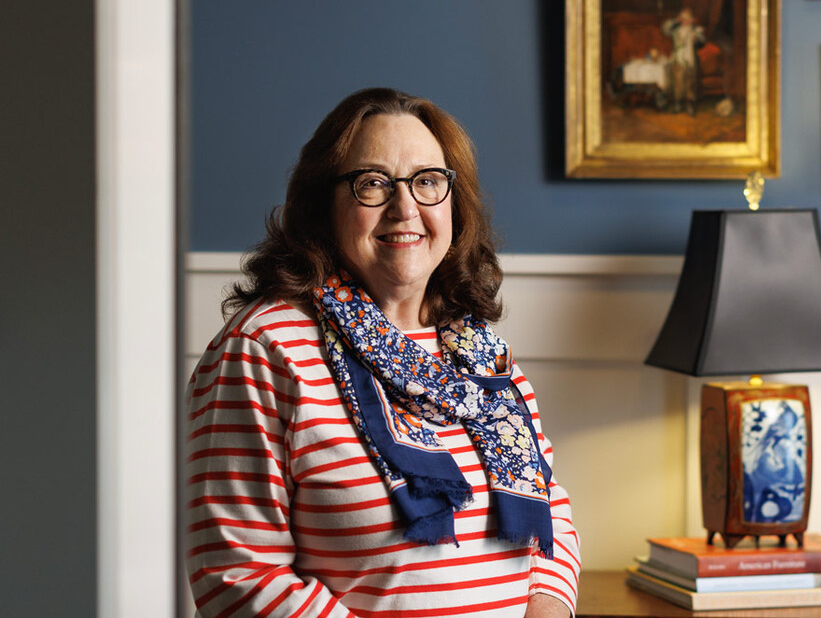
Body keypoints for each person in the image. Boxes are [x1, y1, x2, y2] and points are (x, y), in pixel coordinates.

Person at [185, 88, 580, 617]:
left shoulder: (483, 354)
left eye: (428, 182)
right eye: (372, 183)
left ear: (454, 204)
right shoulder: (263, 349)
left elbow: (549, 504)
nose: (405, 208)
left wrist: (548, 608)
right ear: (323, 204)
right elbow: (237, 573)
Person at [660, 7, 704, 114]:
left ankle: (690, 106)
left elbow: (702, 42)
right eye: (683, 18)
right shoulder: (675, 30)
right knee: (678, 83)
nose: (685, 21)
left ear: (692, 19)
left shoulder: (695, 30)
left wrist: (697, 39)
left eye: (688, 18)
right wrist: (675, 20)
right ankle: (678, 104)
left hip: (691, 59)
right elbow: (664, 28)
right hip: (678, 59)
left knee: (691, 83)